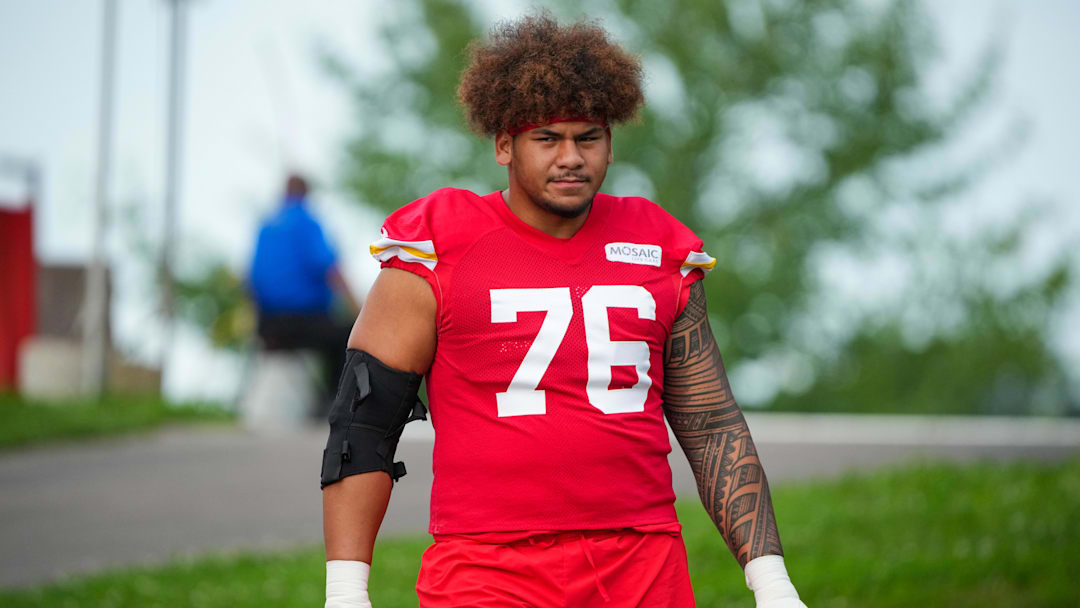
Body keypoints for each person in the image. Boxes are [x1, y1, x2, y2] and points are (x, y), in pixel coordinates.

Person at [321, 14, 806, 608]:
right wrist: (346, 593)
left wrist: (772, 584)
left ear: (611, 143)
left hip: (642, 565)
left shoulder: (660, 248)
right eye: (547, 138)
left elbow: (712, 426)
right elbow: (363, 425)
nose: (571, 157)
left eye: (588, 138)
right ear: (505, 144)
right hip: (489, 569)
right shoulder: (437, 246)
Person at [249, 173, 361, 420]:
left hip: (268, 324)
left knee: (330, 333)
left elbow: (252, 279)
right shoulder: (307, 224)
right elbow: (331, 270)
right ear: (307, 193)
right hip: (303, 322)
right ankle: (332, 403)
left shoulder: (266, 226)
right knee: (349, 336)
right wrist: (360, 311)